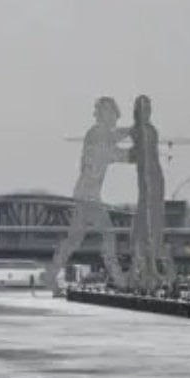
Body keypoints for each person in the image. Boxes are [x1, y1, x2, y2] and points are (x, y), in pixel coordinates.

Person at [48, 97, 129, 293]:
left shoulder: (98, 135)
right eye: (112, 115)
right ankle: (118, 280)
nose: (114, 120)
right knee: (108, 236)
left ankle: (50, 275)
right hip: (89, 197)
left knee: (73, 240)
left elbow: (115, 146)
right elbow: (116, 150)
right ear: (105, 115)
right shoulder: (97, 134)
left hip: (85, 195)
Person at [129, 95, 176, 291]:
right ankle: (146, 264)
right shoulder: (139, 131)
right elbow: (140, 155)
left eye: (148, 108)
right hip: (147, 180)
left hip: (154, 177)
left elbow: (146, 155)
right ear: (138, 111)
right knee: (145, 217)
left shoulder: (149, 130)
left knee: (154, 218)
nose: (147, 112)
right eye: (144, 108)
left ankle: (151, 263)